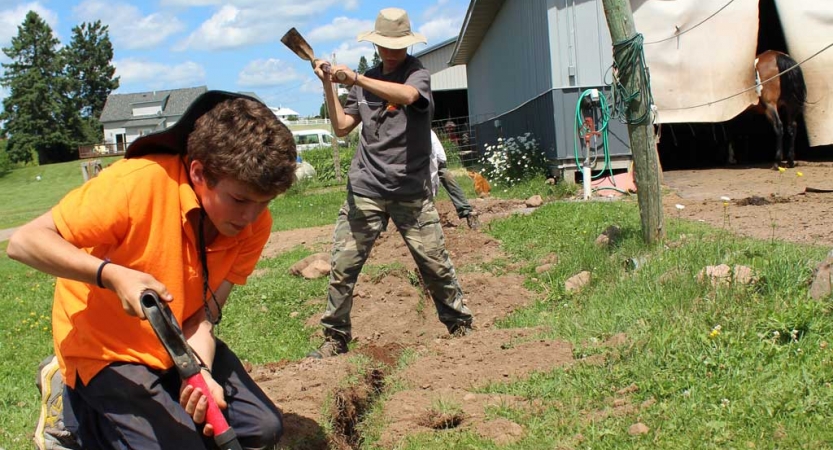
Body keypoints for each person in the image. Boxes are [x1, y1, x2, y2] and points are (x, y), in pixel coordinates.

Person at [8, 91, 297, 449]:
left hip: (173, 344)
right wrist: (113, 275)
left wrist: (200, 372)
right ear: (198, 172)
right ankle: (70, 406)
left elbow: (201, 318)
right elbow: (24, 242)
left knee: (262, 428)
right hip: (106, 349)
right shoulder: (137, 183)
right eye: (239, 200)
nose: (250, 217)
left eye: (263, 202)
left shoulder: (254, 223)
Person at [306, 7, 474, 359]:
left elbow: (407, 97)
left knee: (435, 264)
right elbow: (340, 126)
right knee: (342, 267)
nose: (392, 50)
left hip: (409, 190)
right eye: (387, 44)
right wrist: (327, 82)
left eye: (399, 44)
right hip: (366, 187)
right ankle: (335, 337)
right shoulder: (364, 79)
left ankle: (461, 328)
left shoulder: (418, 75)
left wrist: (355, 80)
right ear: (378, 45)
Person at [430, 129, 480, 229]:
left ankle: (468, 212)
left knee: (444, 177)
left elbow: (436, 159)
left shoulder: (423, 132)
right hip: (430, 160)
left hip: (434, 160)